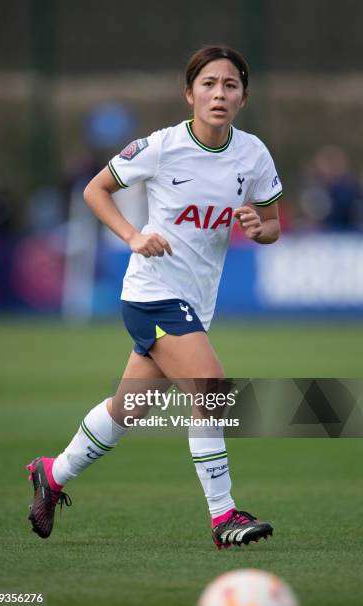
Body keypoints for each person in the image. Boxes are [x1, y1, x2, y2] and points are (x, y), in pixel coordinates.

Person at [27, 45, 282, 549]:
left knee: (129, 409)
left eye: (230, 85)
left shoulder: (253, 154)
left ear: (243, 98)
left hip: (194, 304)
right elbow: (94, 191)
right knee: (211, 390)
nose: (219, 93)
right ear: (190, 93)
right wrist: (132, 236)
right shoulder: (161, 146)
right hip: (152, 294)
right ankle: (223, 517)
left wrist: (261, 228)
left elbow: (272, 223)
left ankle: (51, 474)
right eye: (208, 83)